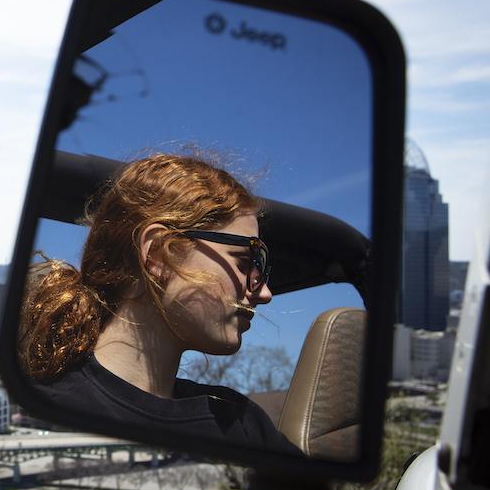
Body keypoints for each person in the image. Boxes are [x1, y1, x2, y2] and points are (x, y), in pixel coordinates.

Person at [19, 153, 301, 454]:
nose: (265, 293)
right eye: (246, 261)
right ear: (158, 255)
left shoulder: (243, 423)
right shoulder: (49, 409)